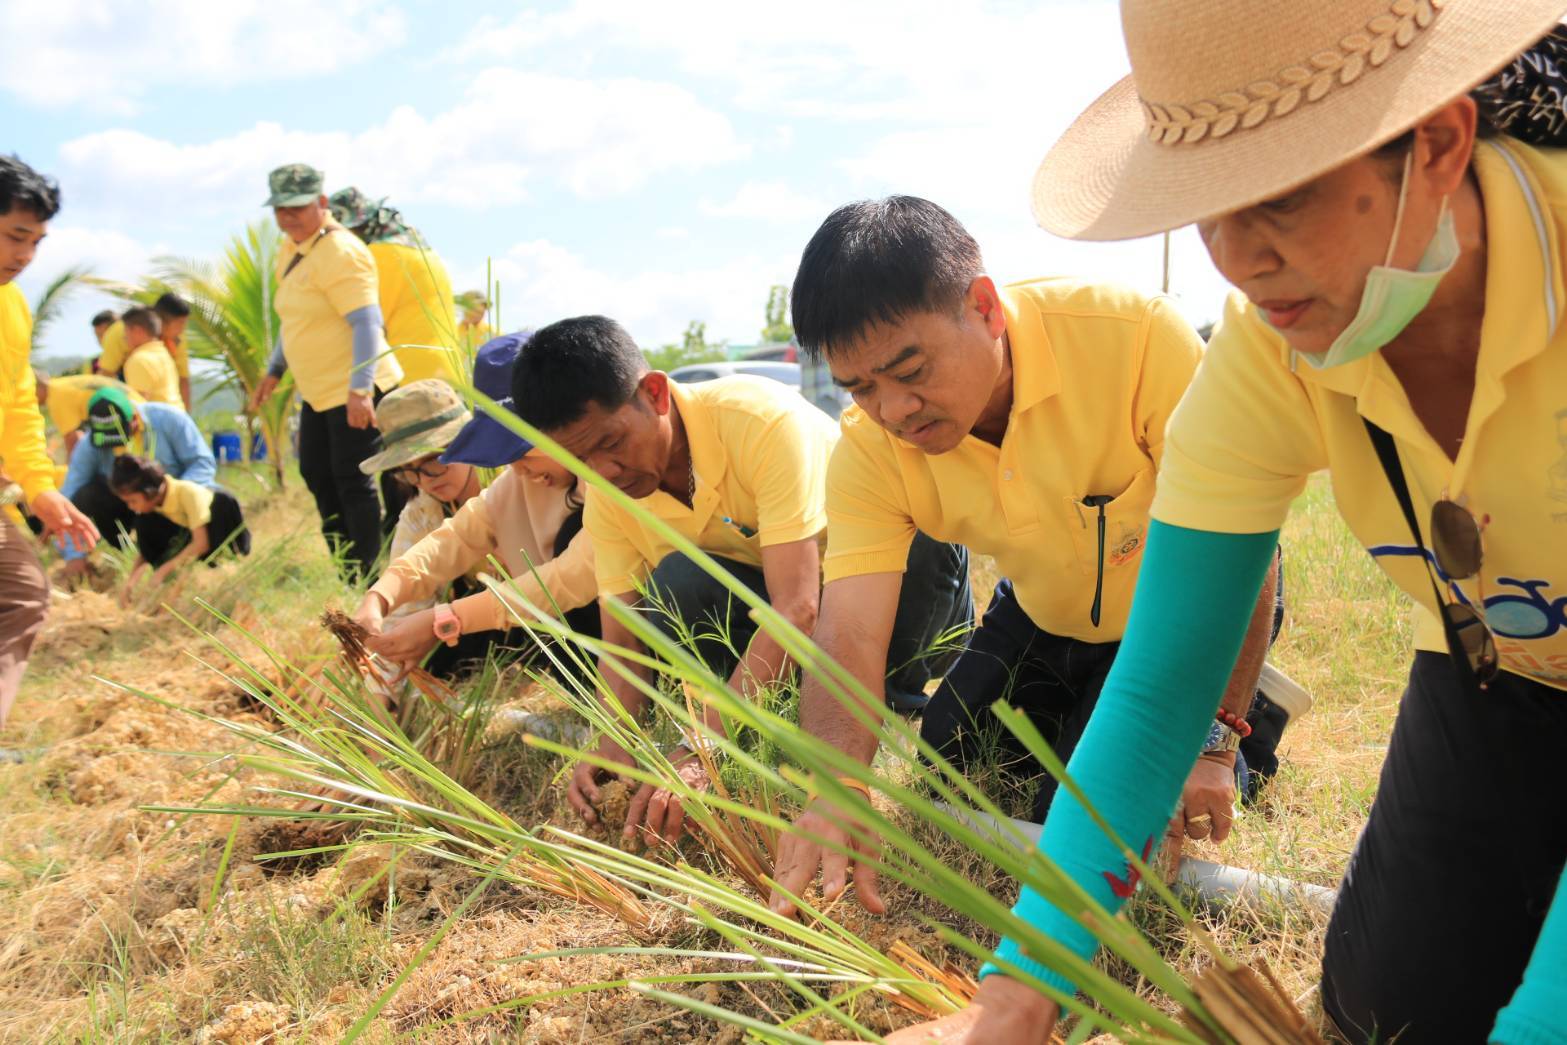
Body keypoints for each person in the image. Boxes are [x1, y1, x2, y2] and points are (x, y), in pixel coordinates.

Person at [886, 4, 1567, 1044]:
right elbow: (1160, 688)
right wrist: (1012, 998)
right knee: (1383, 1014)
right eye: (1207, 209)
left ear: (1436, 142)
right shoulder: (1271, 345)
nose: (1236, 260)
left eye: (1280, 199)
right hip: (1503, 666)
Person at [769, 197, 1286, 921]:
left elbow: (1240, 549)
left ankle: (1248, 710)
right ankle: (1087, 702)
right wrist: (837, 785)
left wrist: (1210, 743)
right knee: (950, 768)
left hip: (1176, 609)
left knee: (1087, 816)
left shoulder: (1134, 338)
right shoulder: (869, 448)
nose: (893, 410)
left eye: (909, 370)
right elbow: (849, 631)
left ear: (983, 306)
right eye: (861, 387)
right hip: (1044, 610)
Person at [510, 316, 974, 846]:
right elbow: (623, 645)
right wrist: (612, 740)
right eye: (580, 460)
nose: (605, 471)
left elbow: (797, 606)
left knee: (915, 532)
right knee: (676, 584)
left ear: (655, 393)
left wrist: (704, 744)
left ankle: (889, 702)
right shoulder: (610, 493)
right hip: (801, 641)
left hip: (899, 604)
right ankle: (781, 718)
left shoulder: (756, 420)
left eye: (611, 442)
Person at [354, 334, 600, 680]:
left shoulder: (607, 477)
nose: (426, 480)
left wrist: (448, 618)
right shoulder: (514, 483)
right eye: (409, 472)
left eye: (436, 461)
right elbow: (453, 539)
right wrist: (380, 596)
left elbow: (572, 577)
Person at [249, 163, 404, 582]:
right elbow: (294, 319)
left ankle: (370, 579)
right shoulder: (293, 249)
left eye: (296, 208)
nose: (287, 218)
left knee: (353, 481)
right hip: (319, 392)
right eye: (279, 209)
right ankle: (348, 571)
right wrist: (274, 371)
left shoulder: (341, 252)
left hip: (355, 387)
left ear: (321, 203)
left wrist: (360, 389)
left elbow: (368, 323)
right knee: (317, 474)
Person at [0, 155, 100, 749]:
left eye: (36, 242)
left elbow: (15, 407)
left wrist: (40, 488)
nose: (26, 256)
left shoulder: (12, 307)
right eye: (16, 236)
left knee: (21, 593)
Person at [60, 387, 216, 579]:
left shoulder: (170, 420)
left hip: (174, 509)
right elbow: (68, 496)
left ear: (134, 418)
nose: (119, 447)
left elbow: (203, 463)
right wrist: (73, 555)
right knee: (87, 495)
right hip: (130, 510)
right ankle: (128, 551)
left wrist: (172, 498)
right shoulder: (90, 445)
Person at [329, 187, 461, 386]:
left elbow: (367, 326)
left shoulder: (379, 255)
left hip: (407, 379)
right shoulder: (425, 252)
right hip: (447, 374)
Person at [109, 454, 249, 605]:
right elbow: (145, 552)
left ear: (149, 491)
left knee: (222, 503)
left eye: (133, 501)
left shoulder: (187, 493)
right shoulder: (153, 508)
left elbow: (201, 543)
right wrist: (130, 583)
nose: (131, 507)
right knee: (143, 521)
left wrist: (163, 571)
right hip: (188, 541)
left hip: (219, 538)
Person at [33, 370, 140, 454]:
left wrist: (70, 476)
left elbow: (72, 442)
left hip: (125, 412)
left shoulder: (55, 397)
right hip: (136, 405)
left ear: (36, 386)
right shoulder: (60, 385)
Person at [118, 307, 183, 407]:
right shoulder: (164, 354)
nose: (124, 337)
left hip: (160, 421)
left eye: (126, 332)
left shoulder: (139, 360)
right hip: (178, 417)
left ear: (137, 330)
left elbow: (139, 406)